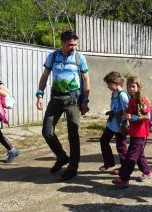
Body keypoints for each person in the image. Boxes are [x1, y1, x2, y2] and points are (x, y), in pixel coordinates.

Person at [36, 30, 90, 181]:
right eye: (70, 44)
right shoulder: (53, 57)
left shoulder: (80, 58)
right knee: (47, 131)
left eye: (75, 44)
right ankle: (61, 157)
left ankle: (73, 168)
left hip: (73, 100)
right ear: (62, 43)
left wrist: (85, 100)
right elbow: (44, 76)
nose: (73, 47)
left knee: (73, 135)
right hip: (55, 99)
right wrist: (39, 95)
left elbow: (86, 79)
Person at [113, 76, 152, 187]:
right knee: (139, 155)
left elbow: (148, 116)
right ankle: (147, 172)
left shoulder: (142, 100)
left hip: (141, 133)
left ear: (138, 87)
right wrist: (127, 118)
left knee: (131, 157)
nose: (131, 89)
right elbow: (129, 114)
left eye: (133, 86)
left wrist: (134, 117)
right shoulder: (131, 99)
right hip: (134, 132)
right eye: (129, 86)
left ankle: (124, 178)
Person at [99, 71, 129, 172]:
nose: (108, 86)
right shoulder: (114, 93)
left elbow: (126, 111)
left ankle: (125, 168)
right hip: (112, 123)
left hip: (120, 124)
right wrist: (111, 112)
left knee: (121, 146)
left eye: (109, 84)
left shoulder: (122, 95)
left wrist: (124, 125)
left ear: (116, 83)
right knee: (104, 140)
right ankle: (109, 162)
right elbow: (116, 108)